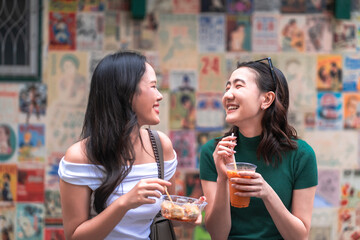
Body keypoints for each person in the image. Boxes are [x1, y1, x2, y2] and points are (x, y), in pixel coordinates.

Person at [58, 50, 201, 240]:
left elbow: (168, 214)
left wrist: (189, 213)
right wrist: (124, 203)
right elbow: (74, 236)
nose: (160, 96)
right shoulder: (79, 157)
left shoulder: (160, 146)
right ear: (127, 93)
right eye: (153, 86)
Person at [199, 58, 318, 239]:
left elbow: (300, 237)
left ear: (267, 99)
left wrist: (267, 193)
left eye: (238, 86)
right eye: (227, 87)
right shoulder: (214, 152)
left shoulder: (301, 155)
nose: (228, 95)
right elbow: (217, 235)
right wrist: (223, 177)